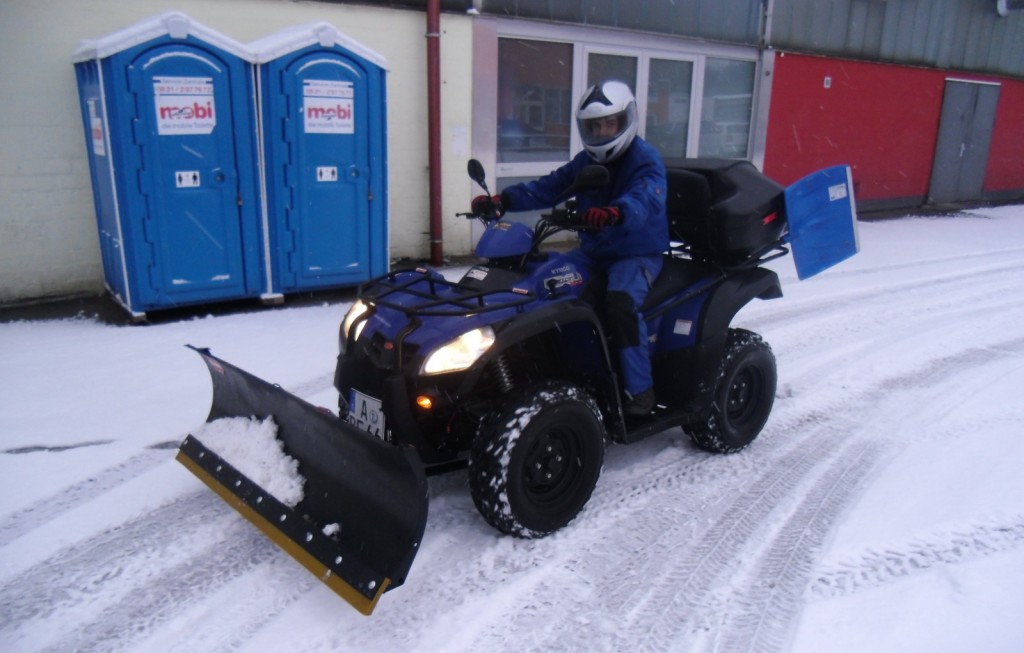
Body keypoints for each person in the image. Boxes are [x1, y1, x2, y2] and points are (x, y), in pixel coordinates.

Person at [473, 80, 669, 416]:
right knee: (540, 286)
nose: (603, 131)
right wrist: (502, 200)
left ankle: (640, 390)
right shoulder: (585, 162)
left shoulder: (645, 161)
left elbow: (644, 199)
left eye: (610, 123)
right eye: (595, 126)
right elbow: (550, 186)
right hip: (595, 251)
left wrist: (616, 212)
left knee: (620, 303)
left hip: (636, 253)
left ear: (626, 121)